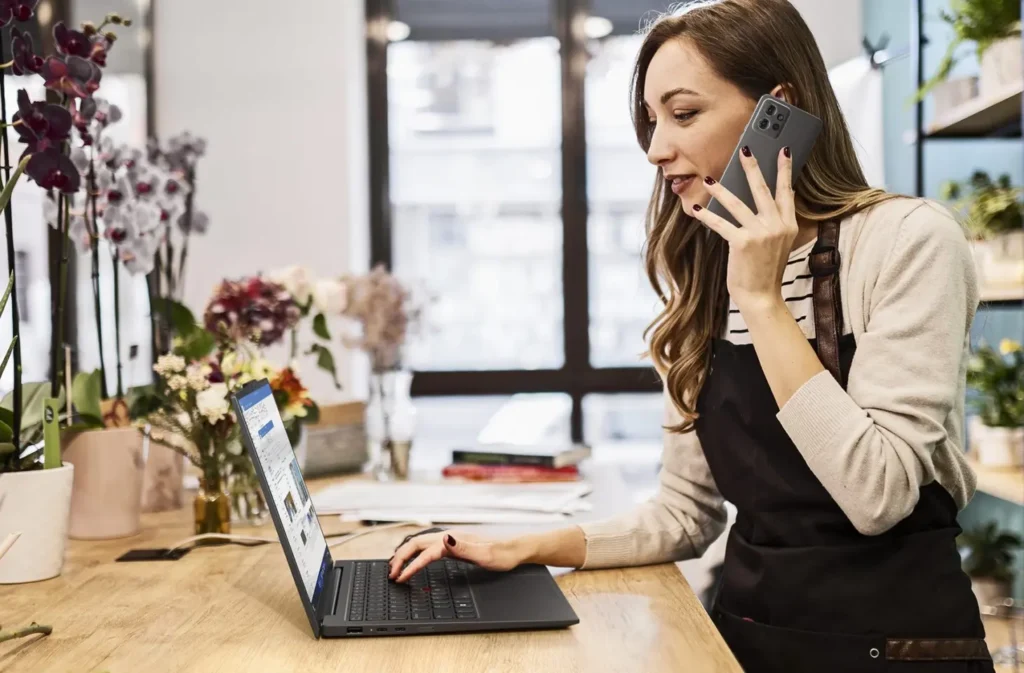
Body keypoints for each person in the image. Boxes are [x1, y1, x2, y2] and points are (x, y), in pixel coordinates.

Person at [388, 1, 994, 670]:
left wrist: (761, 299)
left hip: (900, 651)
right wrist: (524, 545)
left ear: (779, 110)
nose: (655, 149)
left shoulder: (908, 242)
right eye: (651, 120)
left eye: (683, 114)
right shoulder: (706, 273)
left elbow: (878, 494)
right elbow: (685, 514)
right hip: (747, 641)